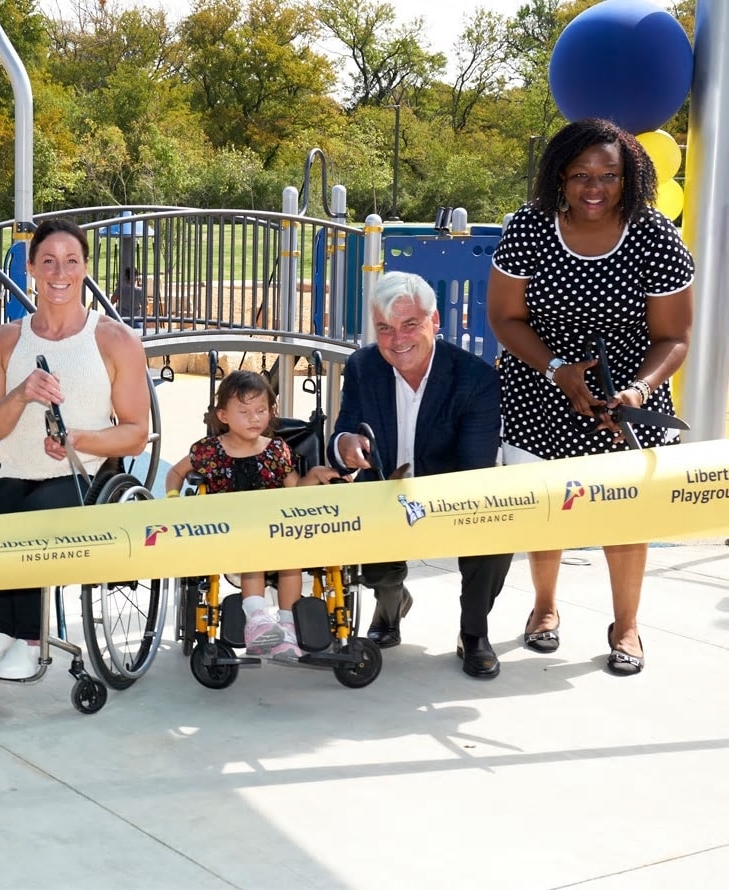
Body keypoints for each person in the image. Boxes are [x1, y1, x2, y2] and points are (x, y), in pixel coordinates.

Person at [487, 118, 694, 677]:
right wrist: (557, 369)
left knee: (626, 516)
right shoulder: (529, 228)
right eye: (580, 175)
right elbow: (504, 318)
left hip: (628, 395)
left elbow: (674, 337)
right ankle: (545, 606)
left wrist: (636, 391)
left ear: (630, 177)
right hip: (541, 383)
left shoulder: (654, 236)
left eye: (609, 175)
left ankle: (626, 625)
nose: (594, 187)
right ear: (559, 176)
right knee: (544, 508)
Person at [0, 218, 149, 680]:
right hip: (13, 472)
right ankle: (8, 633)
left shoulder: (115, 340)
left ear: (86, 268)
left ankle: (22, 637)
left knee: (32, 516)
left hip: (85, 476)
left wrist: (79, 441)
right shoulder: (1, 341)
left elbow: (135, 433)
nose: (59, 273)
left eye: (71, 262)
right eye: (47, 261)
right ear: (30, 268)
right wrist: (21, 393)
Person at [329, 272, 512, 678]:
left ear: (433, 323)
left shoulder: (475, 378)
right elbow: (344, 432)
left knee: (497, 534)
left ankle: (474, 633)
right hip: (382, 494)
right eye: (384, 329)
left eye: (410, 324)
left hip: (455, 495)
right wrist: (345, 445)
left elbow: (475, 469)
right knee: (367, 548)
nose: (397, 339)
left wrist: (423, 505)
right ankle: (391, 604)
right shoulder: (363, 366)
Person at [164, 370, 340, 663]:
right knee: (254, 546)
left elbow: (294, 492)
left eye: (261, 410)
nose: (254, 418)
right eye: (244, 412)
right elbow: (175, 472)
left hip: (272, 531)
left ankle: (286, 626)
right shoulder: (209, 451)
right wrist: (173, 499)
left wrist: (314, 475)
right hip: (228, 532)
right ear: (223, 415)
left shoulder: (276, 451)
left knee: (291, 559)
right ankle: (256, 618)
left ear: (271, 412)